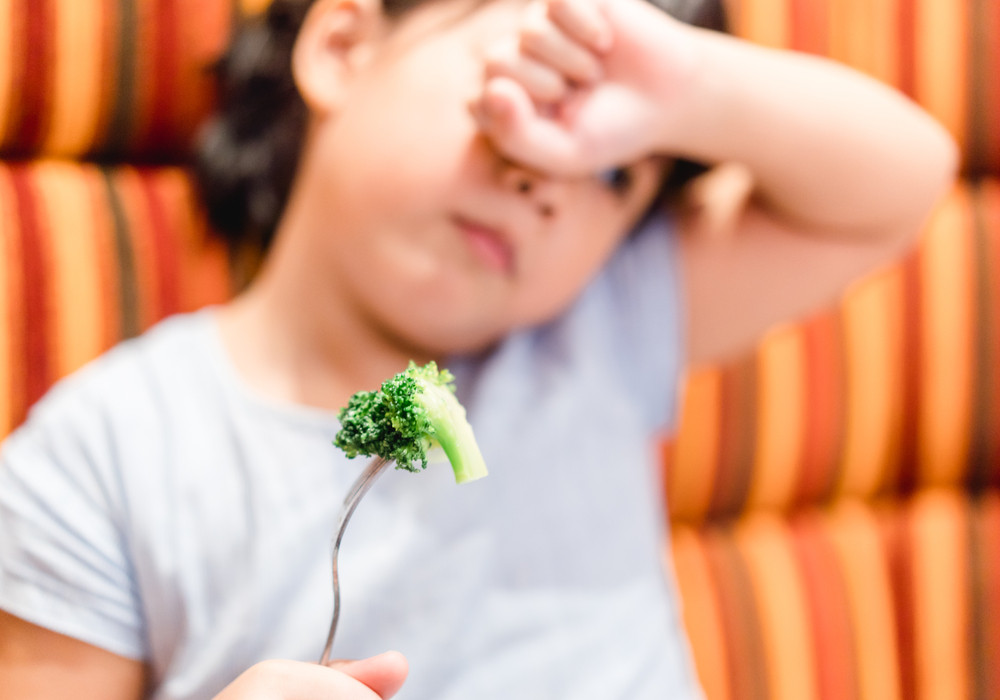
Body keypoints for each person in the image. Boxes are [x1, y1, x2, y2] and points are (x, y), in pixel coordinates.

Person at [0, 0, 956, 697]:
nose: (549, 169)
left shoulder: (600, 327)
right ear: (343, 45)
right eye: (531, 86)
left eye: (615, 169)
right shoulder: (102, 454)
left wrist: (692, 86)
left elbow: (905, 181)